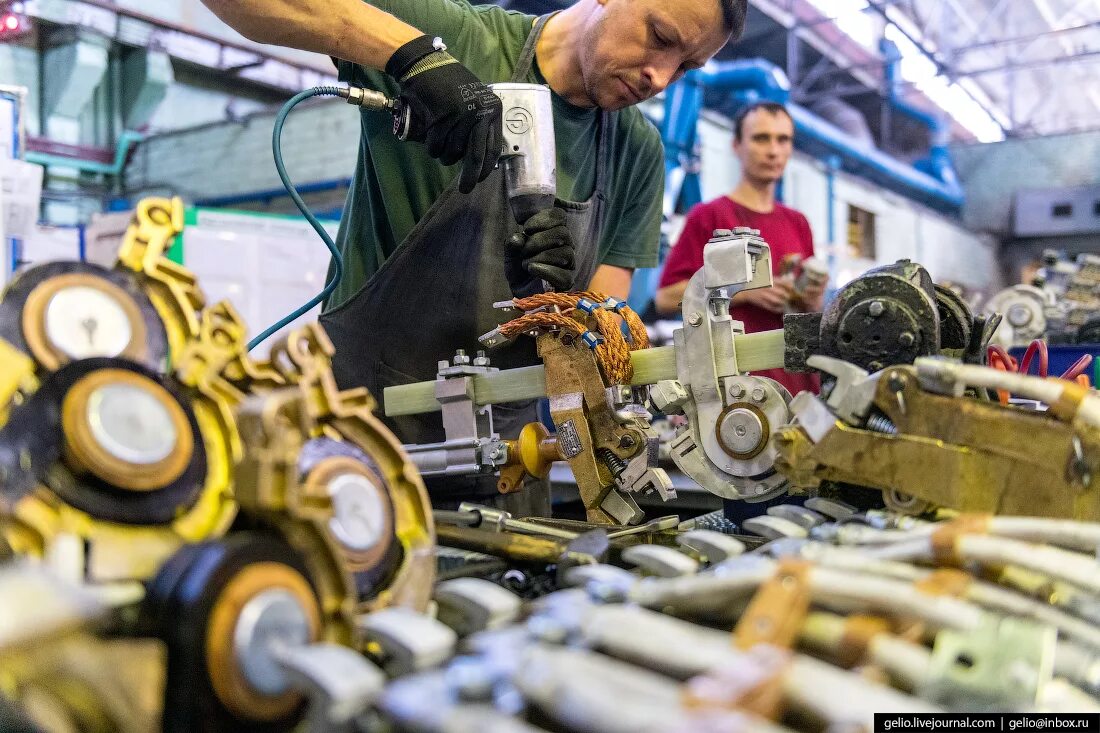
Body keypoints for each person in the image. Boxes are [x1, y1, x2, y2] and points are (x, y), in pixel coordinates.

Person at [200, 0, 746, 511]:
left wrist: (557, 310)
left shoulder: (638, 151)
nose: (660, 77)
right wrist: (410, 54)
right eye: (660, 37)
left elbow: (603, 325)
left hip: (510, 463)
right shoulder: (457, 40)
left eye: (686, 67)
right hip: (355, 443)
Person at [654, 101, 824, 395]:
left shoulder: (798, 223)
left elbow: (810, 309)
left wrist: (811, 299)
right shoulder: (709, 217)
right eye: (761, 138)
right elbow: (665, 299)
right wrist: (744, 292)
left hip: (797, 383)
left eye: (782, 139)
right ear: (736, 145)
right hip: (736, 388)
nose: (773, 150)